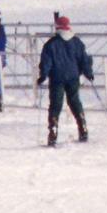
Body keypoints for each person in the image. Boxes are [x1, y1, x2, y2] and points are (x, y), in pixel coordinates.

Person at [36, 13, 94, 146]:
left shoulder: (51, 44)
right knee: (74, 101)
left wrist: (43, 75)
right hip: (73, 77)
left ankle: (53, 131)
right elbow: (84, 60)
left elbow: (46, 62)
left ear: (57, 27)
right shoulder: (77, 42)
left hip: (57, 78)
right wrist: (88, 73)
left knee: (55, 105)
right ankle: (83, 127)